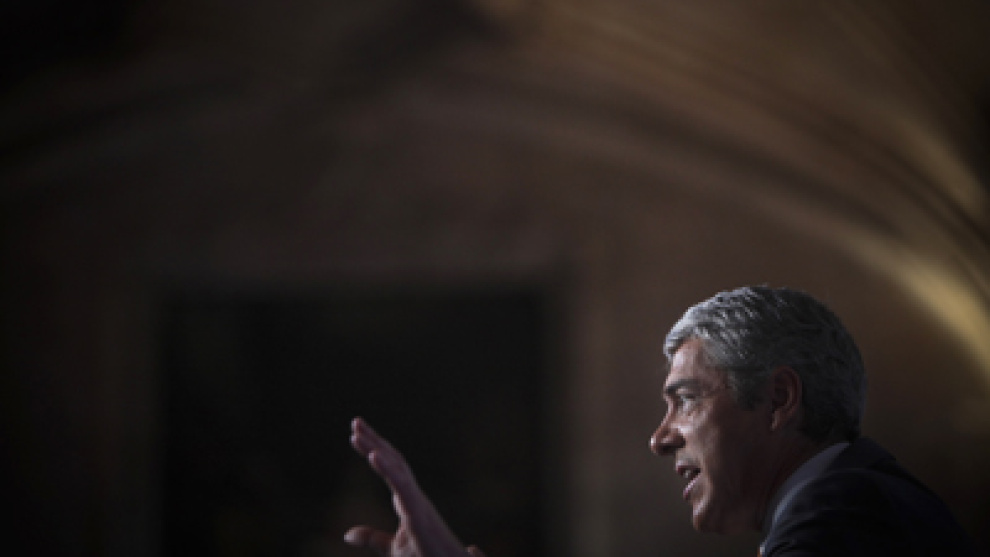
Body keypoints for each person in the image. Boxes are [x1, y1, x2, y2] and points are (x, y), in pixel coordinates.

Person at [344, 286, 979, 556]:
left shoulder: (839, 509)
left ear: (779, 399)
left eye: (686, 399)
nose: (659, 436)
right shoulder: (857, 502)